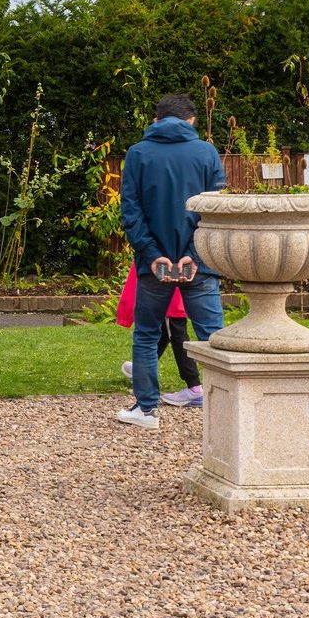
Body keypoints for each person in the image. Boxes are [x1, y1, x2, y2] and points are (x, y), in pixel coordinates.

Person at [117, 93, 226, 428]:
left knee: (147, 335)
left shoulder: (137, 154)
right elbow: (216, 210)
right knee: (213, 338)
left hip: (154, 267)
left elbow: (131, 213)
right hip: (200, 265)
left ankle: (146, 410)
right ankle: (226, 412)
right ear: (191, 120)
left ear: (157, 119)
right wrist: (193, 255)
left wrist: (153, 255)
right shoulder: (206, 152)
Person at [115, 265, 203, 408]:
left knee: (175, 333)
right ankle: (141, 368)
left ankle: (194, 387)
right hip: (170, 283)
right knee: (164, 330)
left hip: (168, 289)